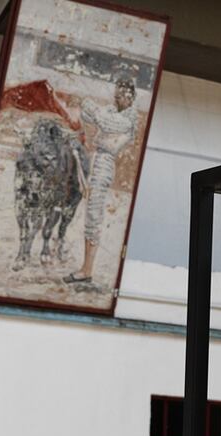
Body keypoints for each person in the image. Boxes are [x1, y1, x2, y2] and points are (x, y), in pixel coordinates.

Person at [65, 78, 138, 284]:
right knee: (88, 212)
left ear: (130, 96)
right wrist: (81, 103)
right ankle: (85, 268)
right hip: (95, 158)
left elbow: (104, 122)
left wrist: (85, 100)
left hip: (105, 163)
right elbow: (92, 117)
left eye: (121, 95)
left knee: (94, 215)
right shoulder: (112, 111)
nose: (117, 99)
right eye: (116, 95)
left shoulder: (128, 119)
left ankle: (87, 270)